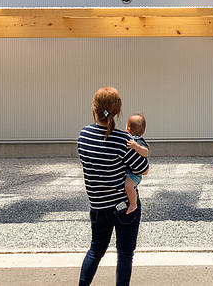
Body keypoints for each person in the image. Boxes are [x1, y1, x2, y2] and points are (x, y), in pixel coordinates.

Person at [77, 87, 149, 286]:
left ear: (94, 109)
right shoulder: (123, 140)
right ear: (118, 112)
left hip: (98, 206)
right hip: (124, 206)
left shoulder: (83, 136)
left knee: (95, 251)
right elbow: (143, 168)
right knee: (125, 254)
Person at [123, 114, 149, 215]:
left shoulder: (138, 140)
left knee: (128, 186)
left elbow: (146, 152)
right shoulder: (128, 138)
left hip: (135, 174)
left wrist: (136, 147)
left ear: (128, 127)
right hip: (130, 170)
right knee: (129, 186)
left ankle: (133, 204)